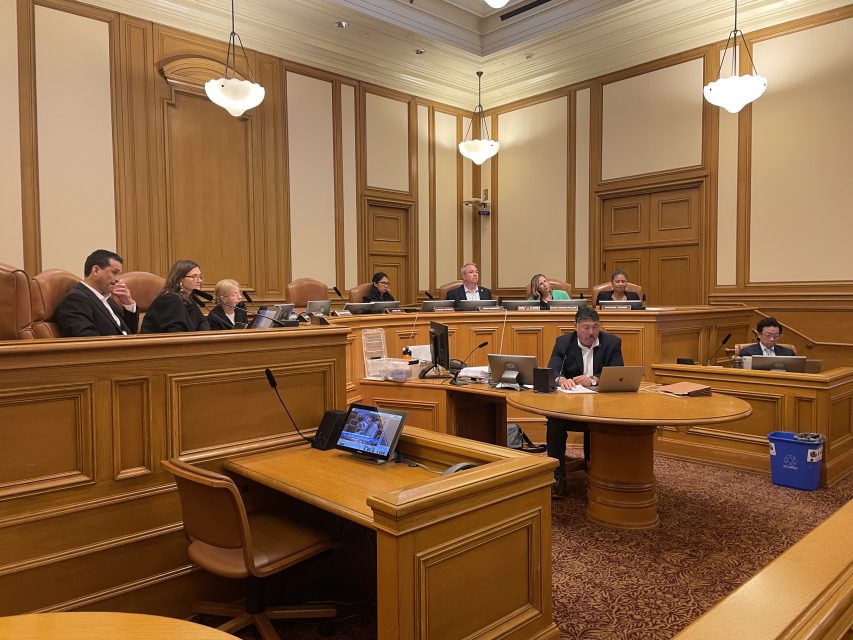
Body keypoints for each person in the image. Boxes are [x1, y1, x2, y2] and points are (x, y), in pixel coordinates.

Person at [547, 306, 623, 499]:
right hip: (570, 406)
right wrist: (560, 380)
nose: (591, 333)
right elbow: (553, 370)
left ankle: (602, 476)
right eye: (586, 327)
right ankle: (558, 478)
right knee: (554, 421)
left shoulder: (612, 342)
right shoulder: (563, 343)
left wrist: (594, 379)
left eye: (595, 327)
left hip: (601, 405)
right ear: (576, 327)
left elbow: (617, 373)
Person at [55, 249, 139, 337]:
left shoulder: (109, 301)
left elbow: (129, 333)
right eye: (114, 272)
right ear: (95, 270)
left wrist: (128, 304)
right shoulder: (75, 300)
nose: (118, 279)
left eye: (119, 274)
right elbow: (87, 339)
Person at [141, 260, 210, 333]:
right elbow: (176, 332)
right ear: (180, 279)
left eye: (200, 276)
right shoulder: (171, 299)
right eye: (194, 276)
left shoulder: (188, 298)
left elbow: (203, 323)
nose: (199, 280)